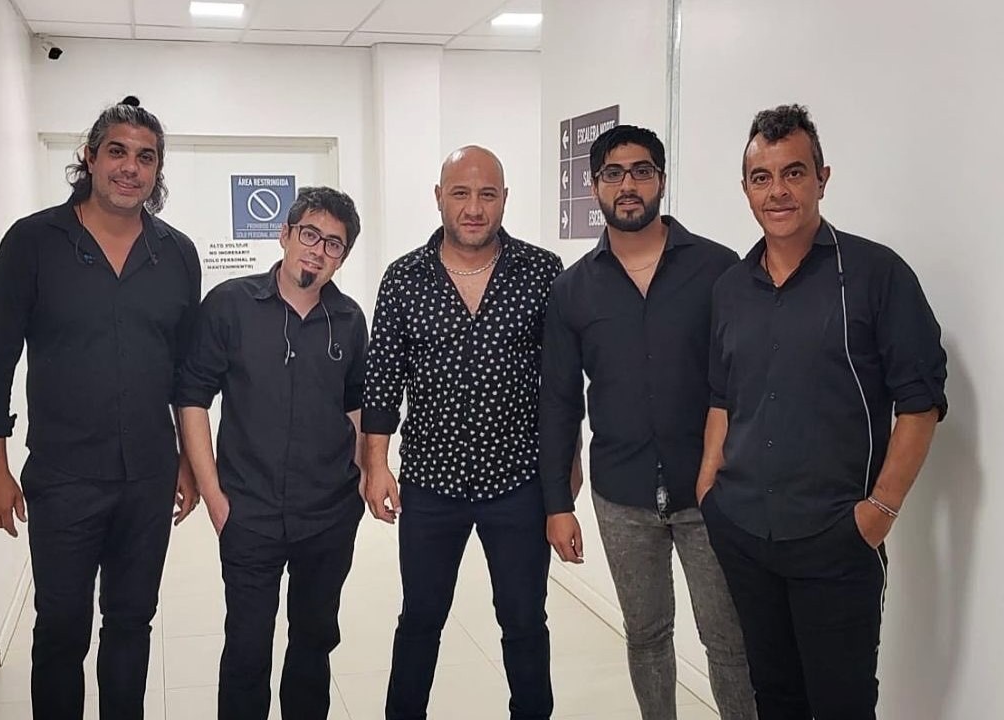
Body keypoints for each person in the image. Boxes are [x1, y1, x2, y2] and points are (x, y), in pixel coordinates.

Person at [697, 104, 948, 720]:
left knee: (842, 705)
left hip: (836, 539)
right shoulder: (731, 288)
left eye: (794, 173)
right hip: (744, 532)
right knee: (774, 698)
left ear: (822, 178)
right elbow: (723, 396)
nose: (777, 191)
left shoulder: (876, 275)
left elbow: (920, 404)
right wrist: (709, 489)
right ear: (745, 188)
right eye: (761, 177)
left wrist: (879, 513)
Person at [0, 96, 201, 720]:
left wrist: (187, 459)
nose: (130, 167)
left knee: (131, 622)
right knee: (61, 626)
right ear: (90, 158)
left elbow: (186, 372)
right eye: (117, 152)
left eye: (145, 157)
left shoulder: (177, 254)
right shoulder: (33, 242)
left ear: (157, 170)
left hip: (148, 476)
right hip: (64, 477)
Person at [539, 124, 756, 719]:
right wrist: (557, 503)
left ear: (661, 179)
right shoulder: (573, 289)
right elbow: (560, 400)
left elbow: (744, 382)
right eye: (613, 173)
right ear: (595, 186)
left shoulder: (717, 269)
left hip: (711, 492)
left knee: (729, 643)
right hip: (621, 495)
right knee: (647, 636)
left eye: (641, 171)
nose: (628, 185)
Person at [362, 146, 566, 720]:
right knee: (420, 619)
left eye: (487, 194)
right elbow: (382, 380)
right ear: (439, 198)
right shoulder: (404, 278)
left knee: (524, 621)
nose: (474, 208)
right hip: (431, 482)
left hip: (518, 480)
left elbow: (559, 381)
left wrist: (565, 466)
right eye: (461, 193)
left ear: (504, 200)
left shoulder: (542, 272)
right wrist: (376, 465)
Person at [176, 186, 367, 720]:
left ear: (342, 257)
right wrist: (214, 495)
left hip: (328, 517)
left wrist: (357, 482)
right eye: (309, 234)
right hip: (249, 514)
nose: (318, 250)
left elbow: (356, 406)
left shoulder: (349, 319)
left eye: (333, 243)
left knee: (314, 642)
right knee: (246, 649)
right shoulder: (230, 305)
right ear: (284, 235)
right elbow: (192, 398)